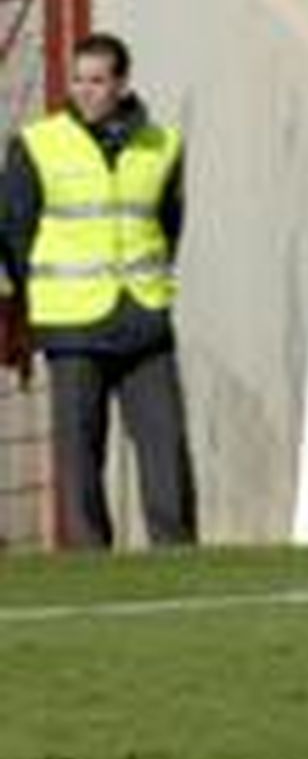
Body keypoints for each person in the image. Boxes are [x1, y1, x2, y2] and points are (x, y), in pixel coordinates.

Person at [0, 32, 195, 550]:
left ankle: (178, 555)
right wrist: (40, 295)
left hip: (143, 315)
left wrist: (148, 280)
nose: (85, 91)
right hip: (72, 322)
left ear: (122, 83)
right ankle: (91, 558)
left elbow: (169, 224)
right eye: (79, 79)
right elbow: (15, 232)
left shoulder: (165, 144)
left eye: (98, 80)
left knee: (166, 445)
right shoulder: (36, 144)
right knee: (80, 452)